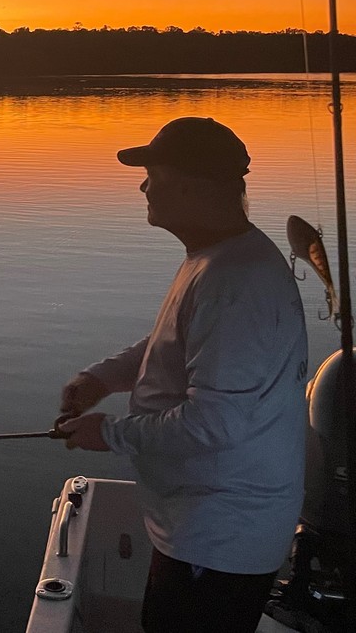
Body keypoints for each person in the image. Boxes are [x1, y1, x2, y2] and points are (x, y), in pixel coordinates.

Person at [57, 117, 308, 633]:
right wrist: (104, 378)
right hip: (200, 523)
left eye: (155, 174)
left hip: (220, 535)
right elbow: (177, 343)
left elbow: (212, 423)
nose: (144, 186)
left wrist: (107, 434)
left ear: (194, 186)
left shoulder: (236, 282)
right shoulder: (219, 260)